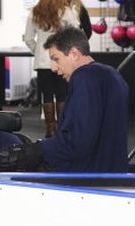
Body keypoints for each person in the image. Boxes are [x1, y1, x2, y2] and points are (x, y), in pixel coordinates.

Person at [0, 26, 129, 173]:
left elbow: (77, 141)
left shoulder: (84, 78)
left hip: (86, 178)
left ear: (74, 54)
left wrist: (35, 151)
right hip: (112, 173)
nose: (53, 68)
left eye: (56, 59)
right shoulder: (112, 75)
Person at [23, 0, 81, 137]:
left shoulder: (34, 12)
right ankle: (62, 129)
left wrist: (38, 51)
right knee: (62, 94)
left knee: (47, 95)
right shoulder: (66, 11)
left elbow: (28, 39)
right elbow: (75, 33)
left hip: (42, 62)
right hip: (62, 59)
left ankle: (50, 129)